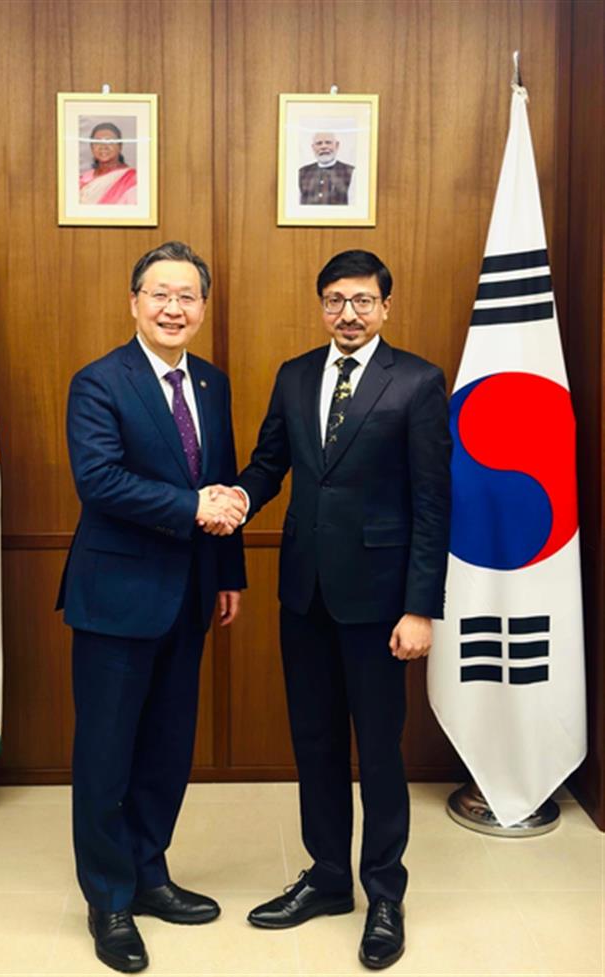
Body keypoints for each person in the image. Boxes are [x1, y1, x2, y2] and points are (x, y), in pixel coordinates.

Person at [220, 250, 451, 969]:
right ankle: (326, 877)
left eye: (362, 301)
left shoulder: (416, 381)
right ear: (320, 305)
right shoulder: (294, 375)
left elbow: (432, 503)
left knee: (378, 749)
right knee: (314, 742)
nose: (347, 314)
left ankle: (384, 891)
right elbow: (270, 465)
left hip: (381, 604)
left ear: (385, 306)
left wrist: (420, 608)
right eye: (334, 301)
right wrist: (236, 498)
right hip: (304, 594)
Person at [57, 241, 246, 973]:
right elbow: (99, 479)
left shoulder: (213, 383)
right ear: (134, 301)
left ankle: (149, 872)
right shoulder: (99, 381)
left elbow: (222, 478)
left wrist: (228, 573)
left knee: (167, 750)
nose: (173, 308)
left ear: (203, 307)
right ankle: (108, 898)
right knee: (106, 756)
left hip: (191, 593)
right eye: (160, 294)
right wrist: (192, 507)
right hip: (115, 599)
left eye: (187, 296)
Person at [79, 121, 137, 205]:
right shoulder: (82, 179)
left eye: (110, 142)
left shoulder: (131, 179)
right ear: (92, 147)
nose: (103, 147)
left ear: (120, 146)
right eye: (98, 142)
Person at [299, 131, 354, 205]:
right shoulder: (302, 172)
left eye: (328, 142)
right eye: (319, 143)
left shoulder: (350, 172)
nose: (323, 147)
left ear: (337, 145)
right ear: (313, 147)